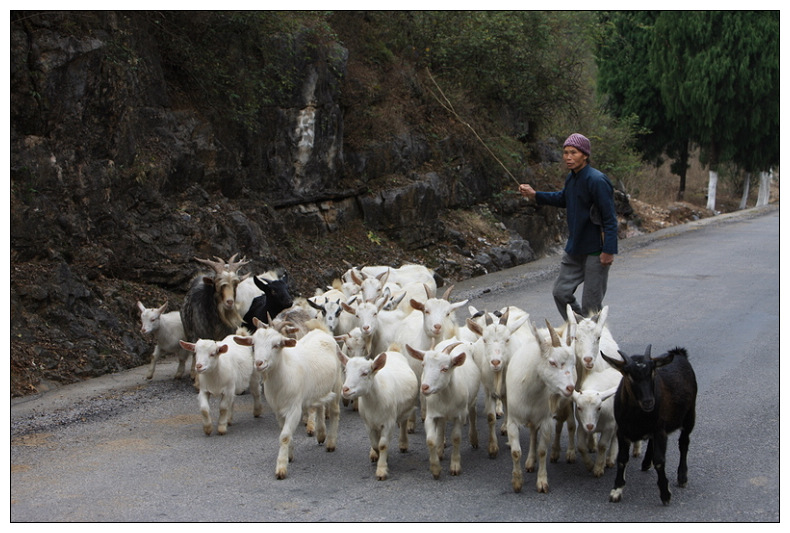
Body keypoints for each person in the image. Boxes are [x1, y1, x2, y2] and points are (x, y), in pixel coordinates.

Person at [519, 133, 617, 321]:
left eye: (573, 152)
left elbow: (610, 218)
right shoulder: (571, 178)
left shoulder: (597, 180)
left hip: (596, 251)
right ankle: (582, 329)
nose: (568, 157)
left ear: (585, 155)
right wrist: (534, 195)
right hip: (574, 249)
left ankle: (594, 342)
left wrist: (609, 250)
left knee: (591, 306)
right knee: (560, 293)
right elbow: (563, 198)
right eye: (565, 152)